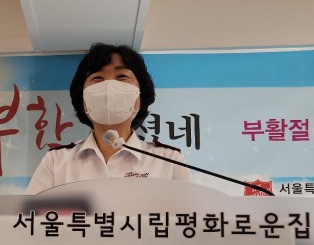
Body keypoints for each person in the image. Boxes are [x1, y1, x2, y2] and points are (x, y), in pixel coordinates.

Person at [26, 42, 193, 194]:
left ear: (141, 96)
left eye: (122, 77)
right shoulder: (56, 161)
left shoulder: (169, 161)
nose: (108, 87)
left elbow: (192, 214)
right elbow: (28, 215)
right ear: (82, 99)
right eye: (97, 78)